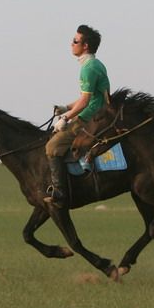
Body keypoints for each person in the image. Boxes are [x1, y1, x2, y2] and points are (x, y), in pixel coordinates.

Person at [44, 24, 110, 208]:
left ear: (85, 45)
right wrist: (65, 108)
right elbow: (84, 98)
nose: (71, 44)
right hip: (95, 112)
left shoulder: (88, 68)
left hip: (91, 117)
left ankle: (60, 191)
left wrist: (65, 119)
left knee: (52, 146)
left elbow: (86, 101)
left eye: (75, 41)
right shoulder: (94, 64)